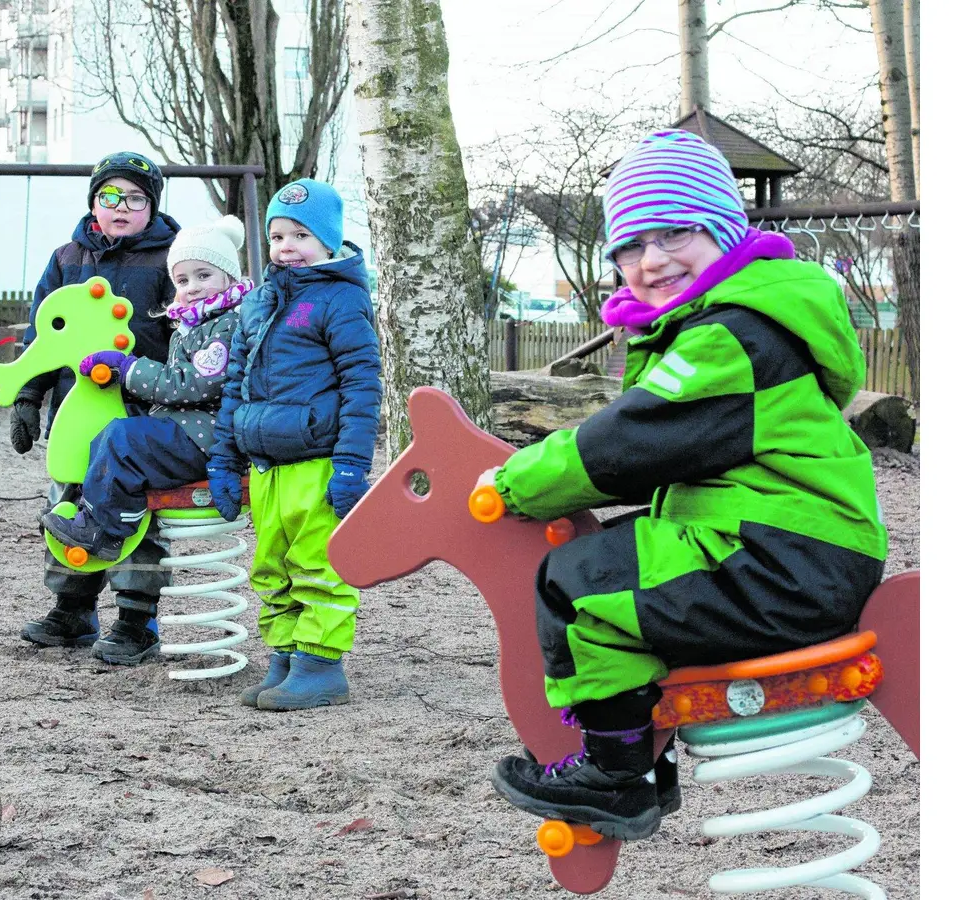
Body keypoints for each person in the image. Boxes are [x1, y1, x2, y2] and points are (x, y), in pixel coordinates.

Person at [478, 129, 887, 841]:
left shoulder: (731, 336)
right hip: (787, 547)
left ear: (727, 232)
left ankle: (616, 777)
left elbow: (627, 442)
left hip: (784, 563)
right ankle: (638, 757)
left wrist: (513, 485)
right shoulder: (727, 323)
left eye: (675, 232)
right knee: (624, 554)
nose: (653, 259)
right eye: (631, 246)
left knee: (575, 582)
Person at [40, 216, 254, 664]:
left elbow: (194, 385)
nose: (192, 287)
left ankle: (106, 530)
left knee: (122, 437)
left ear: (230, 277)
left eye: (204, 275)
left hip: (207, 439)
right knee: (111, 438)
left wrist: (128, 368)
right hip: (189, 431)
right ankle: (112, 518)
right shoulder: (196, 322)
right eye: (182, 279)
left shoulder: (228, 325)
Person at [206, 178, 381, 711]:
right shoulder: (259, 302)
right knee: (271, 564)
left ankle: (321, 665)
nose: (287, 247)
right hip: (265, 462)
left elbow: (362, 384)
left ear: (328, 242)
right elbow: (235, 382)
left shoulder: (342, 300)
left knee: (318, 563)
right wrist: (222, 457)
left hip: (317, 459)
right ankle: (284, 657)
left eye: (301, 235)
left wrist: (351, 466)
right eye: (278, 235)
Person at [8, 151, 181, 665]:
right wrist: (27, 396)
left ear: (151, 206)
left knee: (134, 511)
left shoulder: (172, 259)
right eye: (110, 197)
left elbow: (184, 333)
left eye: (135, 198)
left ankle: (136, 619)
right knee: (68, 502)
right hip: (75, 412)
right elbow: (43, 332)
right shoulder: (68, 258)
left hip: (140, 413)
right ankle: (73, 608)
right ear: (94, 203)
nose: (121, 207)